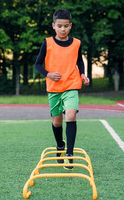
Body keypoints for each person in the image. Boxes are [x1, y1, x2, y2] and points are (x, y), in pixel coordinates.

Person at [35, 9, 90, 170]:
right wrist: (48, 74)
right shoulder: (47, 43)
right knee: (56, 121)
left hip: (71, 84)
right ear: (53, 26)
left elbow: (79, 61)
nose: (63, 29)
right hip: (54, 88)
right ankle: (60, 146)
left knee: (71, 115)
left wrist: (83, 74)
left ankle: (69, 155)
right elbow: (38, 64)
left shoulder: (77, 43)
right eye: (60, 26)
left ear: (70, 26)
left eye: (66, 26)